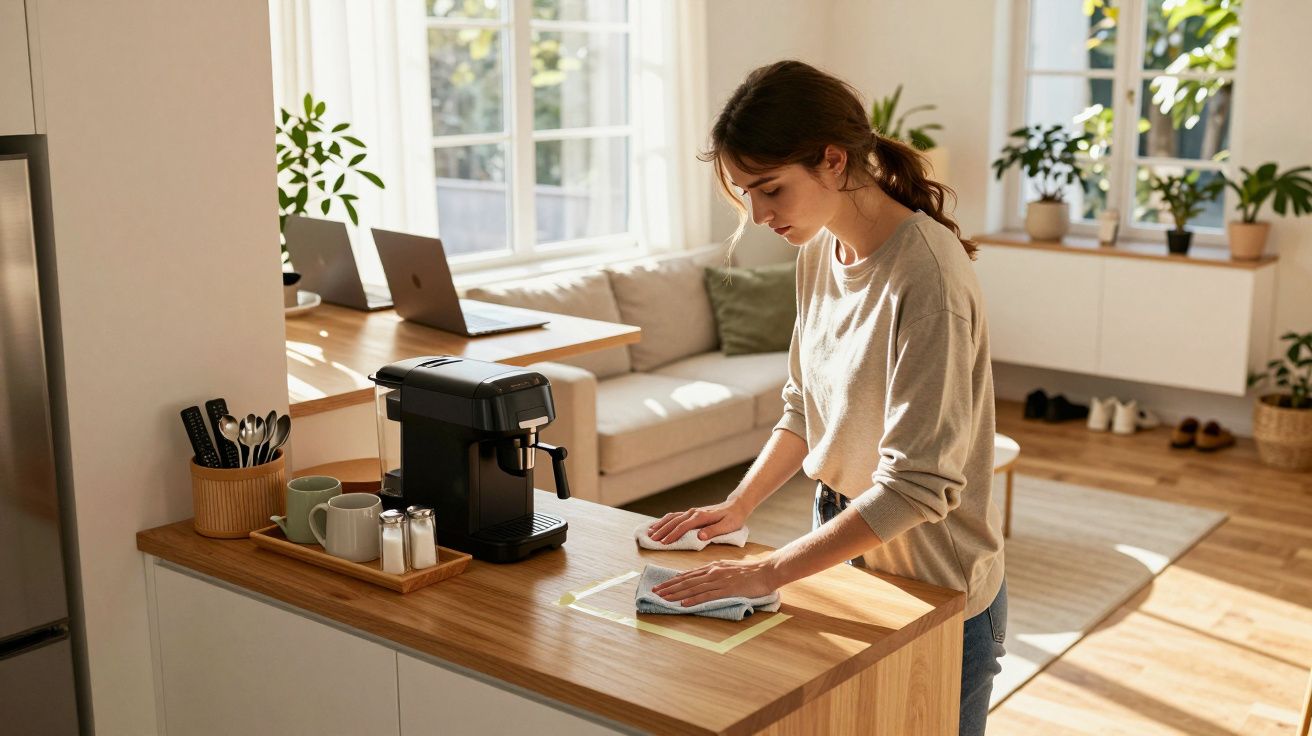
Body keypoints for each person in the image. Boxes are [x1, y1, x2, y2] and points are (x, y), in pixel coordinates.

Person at [644, 60, 1006, 735]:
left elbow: (918, 486)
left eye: (770, 189)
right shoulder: (819, 249)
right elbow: (802, 409)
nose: (756, 215)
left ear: (834, 162)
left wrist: (769, 572)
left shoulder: (925, 279)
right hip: (840, 544)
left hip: (932, 576)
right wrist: (740, 503)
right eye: (746, 193)